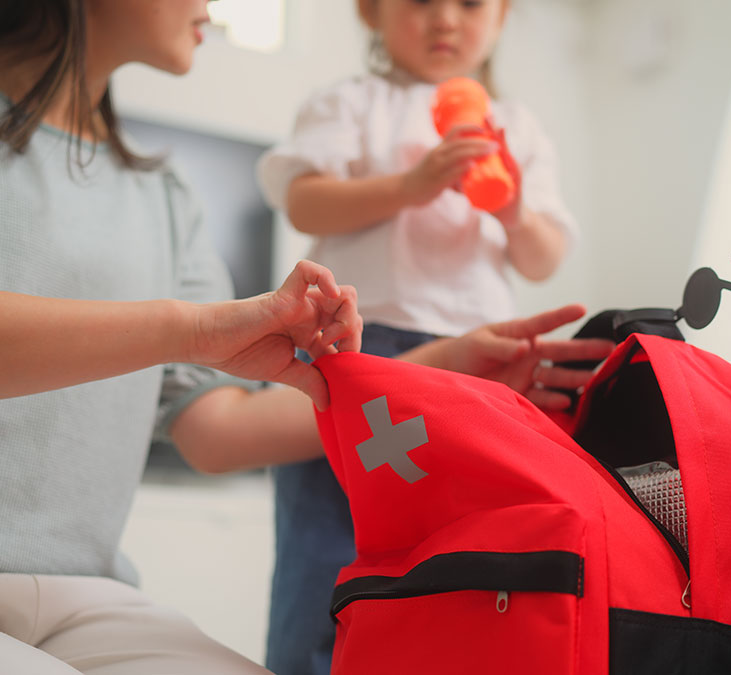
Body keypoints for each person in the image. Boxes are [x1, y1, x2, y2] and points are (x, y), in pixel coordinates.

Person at [0, 2, 611, 673]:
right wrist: (193, 328)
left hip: (87, 603)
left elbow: (216, 432)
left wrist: (444, 369)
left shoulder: (164, 198)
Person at [255, 1, 580, 673]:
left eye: (470, 4)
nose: (446, 20)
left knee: (455, 543)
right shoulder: (352, 101)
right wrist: (413, 184)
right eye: (421, 1)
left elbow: (543, 257)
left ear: (502, 15)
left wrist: (513, 210)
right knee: (327, 538)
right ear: (371, 12)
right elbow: (305, 201)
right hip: (358, 351)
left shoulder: (515, 127)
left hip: (472, 362)